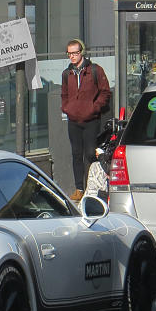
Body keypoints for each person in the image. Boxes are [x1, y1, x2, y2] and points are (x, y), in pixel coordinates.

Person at [61, 39, 111, 201]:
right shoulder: (67, 73)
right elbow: (64, 94)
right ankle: (79, 188)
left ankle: (92, 187)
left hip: (91, 120)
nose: (72, 56)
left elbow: (105, 92)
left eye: (75, 53)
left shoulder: (95, 70)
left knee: (90, 153)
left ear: (81, 52)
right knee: (76, 154)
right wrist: (66, 108)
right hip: (73, 120)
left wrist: (94, 108)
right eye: (69, 53)